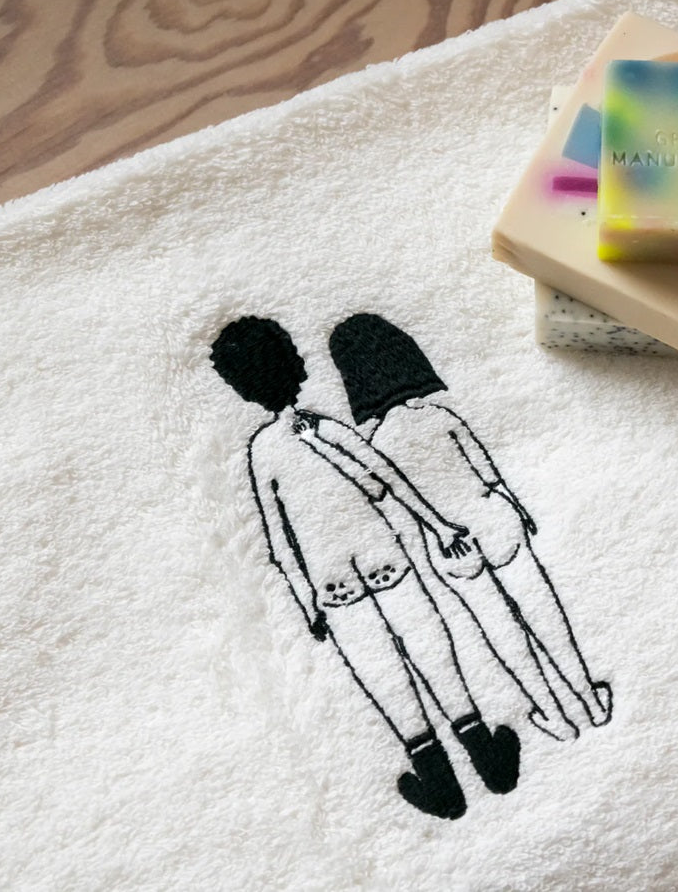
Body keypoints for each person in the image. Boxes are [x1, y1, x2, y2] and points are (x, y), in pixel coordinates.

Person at [210, 316, 519, 820]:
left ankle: (440, 786)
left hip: (334, 588)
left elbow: (281, 542)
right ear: (292, 363)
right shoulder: (325, 429)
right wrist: (438, 526)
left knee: (384, 676)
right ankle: (491, 761)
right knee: (433, 653)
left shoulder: (262, 454)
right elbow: (387, 479)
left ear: (242, 387)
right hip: (386, 563)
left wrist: (309, 604)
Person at [327, 314, 613, 733]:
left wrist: (438, 530)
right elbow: (487, 471)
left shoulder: (378, 445)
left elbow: (394, 500)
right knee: (542, 609)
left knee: (497, 626)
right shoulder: (440, 417)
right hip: (492, 517)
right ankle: (590, 701)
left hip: (447, 544)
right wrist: (517, 508)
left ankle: (554, 716)